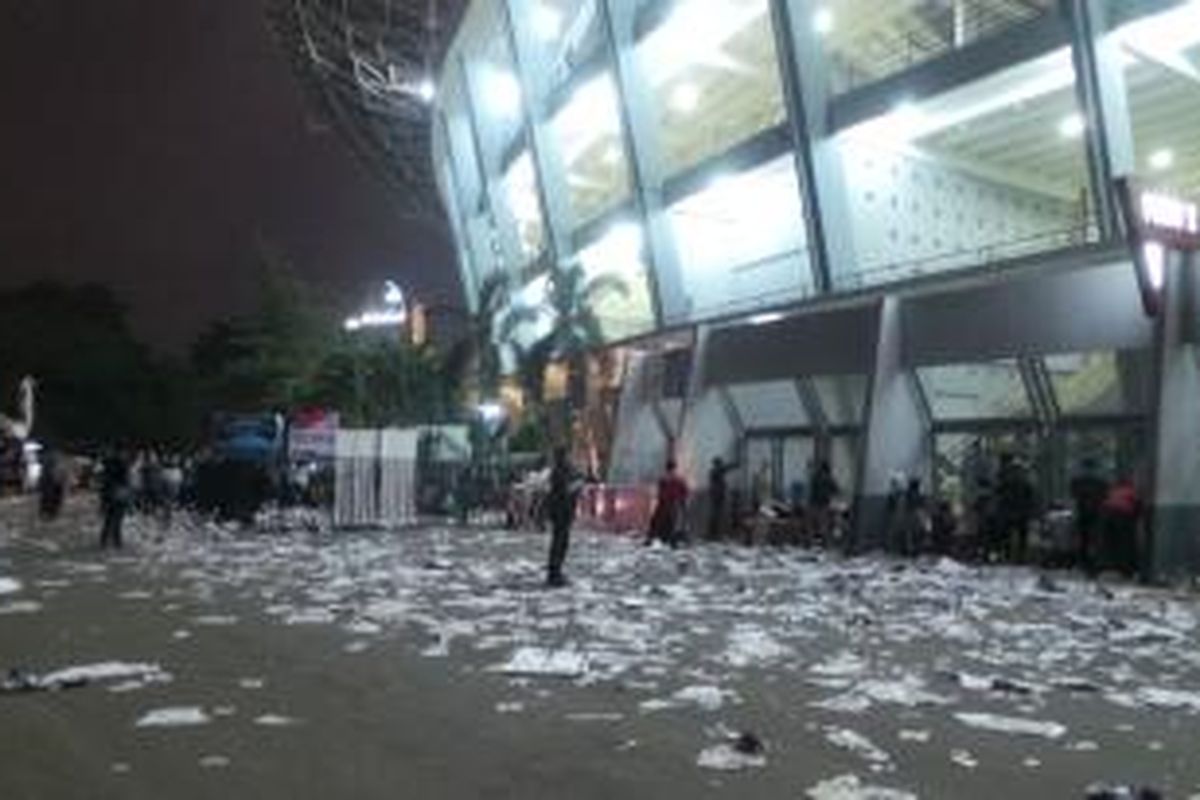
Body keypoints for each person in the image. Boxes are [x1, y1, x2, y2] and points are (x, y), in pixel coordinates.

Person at [545, 447, 580, 588]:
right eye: (568, 455)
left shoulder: (560, 470)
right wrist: (577, 485)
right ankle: (555, 573)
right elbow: (566, 490)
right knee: (559, 543)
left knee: (560, 542)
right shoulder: (560, 471)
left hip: (561, 511)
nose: (571, 458)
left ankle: (556, 571)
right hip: (561, 511)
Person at [1070, 458, 1108, 576]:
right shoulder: (1101, 482)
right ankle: (1094, 565)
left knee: (1084, 539)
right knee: (1095, 540)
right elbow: (1105, 495)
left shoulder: (1077, 481)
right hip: (1096, 513)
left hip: (1083, 512)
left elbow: (1074, 494)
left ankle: (1083, 563)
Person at [996, 454, 1036, 564]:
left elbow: (1030, 498)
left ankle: (1014, 556)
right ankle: (1013, 555)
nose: (1016, 474)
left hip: (1016, 512)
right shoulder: (1016, 484)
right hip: (1014, 512)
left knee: (1016, 535)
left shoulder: (1014, 484)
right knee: (1012, 535)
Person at [1102, 477, 1141, 577]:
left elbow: (1106, 502)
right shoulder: (1130, 491)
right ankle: (1126, 568)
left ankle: (1112, 565)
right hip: (1123, 517)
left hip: (1108, 516)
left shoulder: (1114, 491)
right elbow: (1137, 504)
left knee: (1112, 543)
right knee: (1125, 543)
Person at [647, 459, 689, 548]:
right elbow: (684, 491)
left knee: (658, 521)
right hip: (672, 502)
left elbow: (661, 491)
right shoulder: (678, 479)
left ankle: (654, 538)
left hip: (665, 502)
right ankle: (671, 540)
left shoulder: (664, 478)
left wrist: (660, 498)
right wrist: (682, 501)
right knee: (672, 521)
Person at [99, 451, 131, 549]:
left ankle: (104, 542)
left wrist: (102, 502)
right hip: (119, 497)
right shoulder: (123, 468)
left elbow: (103, 486)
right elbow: (126, 483)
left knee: (108, 521)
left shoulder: (107, 471)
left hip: (110, 496)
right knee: (117, 521)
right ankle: (117, 543)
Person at [706, 457, 738, 542]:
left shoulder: (714, 471)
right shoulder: (716, 470)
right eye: (720, 463)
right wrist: (736, 463)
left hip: (717, 494)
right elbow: (725, 468)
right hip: (718, 495)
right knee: (716, 514)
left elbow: (725, 469)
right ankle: (714, 533)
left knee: (716, 514)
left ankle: (714, 533)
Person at [809, 460, 839, 545]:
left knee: (813, 523)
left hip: (814, 502)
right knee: (823, 523)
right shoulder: (829, 478)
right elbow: (836, 490)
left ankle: (812, 541)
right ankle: (823, 541)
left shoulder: (815, 477)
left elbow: (812, 489)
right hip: (823, 503)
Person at [37, 449, 66, 521]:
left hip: (53, 475)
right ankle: (48, 512)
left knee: (52, 493)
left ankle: (49, 512)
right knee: (50, 494)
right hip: (51, 476)